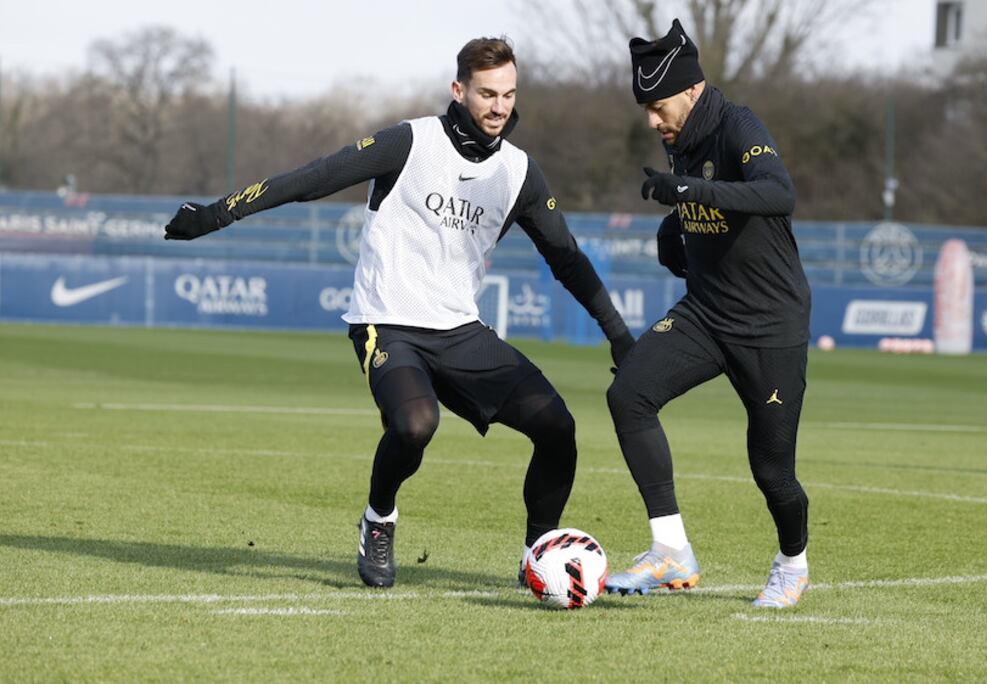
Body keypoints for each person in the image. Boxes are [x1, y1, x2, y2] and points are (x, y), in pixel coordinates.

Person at [162, 37, 634, 588]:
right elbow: (312, 178)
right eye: (487, 94)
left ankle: (539, 555)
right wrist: (217, 214)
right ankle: (378, 519)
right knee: (415, 425)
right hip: (386, 321)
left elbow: (567, 259)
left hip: (460, 331)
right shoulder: (409, 142)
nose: (499, 106)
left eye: (508, 94)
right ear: (459, 90)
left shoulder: (520, 173)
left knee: (557, 427)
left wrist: (618, 334)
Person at [603, 20, 813, 609]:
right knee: (629, 395)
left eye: (658, 107)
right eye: (646, 109)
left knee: (772, 472)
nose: (652, 121)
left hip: (770, 325)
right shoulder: (679, 136)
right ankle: (671, 550)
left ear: (692, 91)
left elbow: (778, 194)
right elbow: (698, 204)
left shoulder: (738, 125)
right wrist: (673, 231)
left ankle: (792, 564)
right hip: (706, 313)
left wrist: (690, 194)